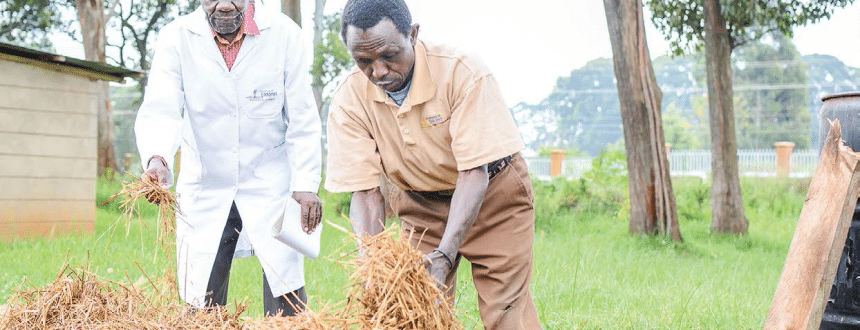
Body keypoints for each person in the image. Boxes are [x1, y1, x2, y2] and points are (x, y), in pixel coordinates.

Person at [324, 0, 541, 328]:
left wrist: (445, 254)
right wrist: (370, 266)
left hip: (493, 197)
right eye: (363, 61)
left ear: (412, 35)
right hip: (421, 205)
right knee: (413, 311)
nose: (378, 71)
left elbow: (473, 173)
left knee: (506, 313)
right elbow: (366, 193)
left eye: (389, 55)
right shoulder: (349, 99)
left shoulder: (462, 72)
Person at [134, 0, 322, 316]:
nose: (223, 5)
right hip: (206, 182)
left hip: (269, 182)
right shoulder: (176, 37)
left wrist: (305, 183)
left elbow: (302, 116)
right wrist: (158, 158)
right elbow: (161, 107)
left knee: (285, 289)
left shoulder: (284, 34)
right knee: (201, 295)